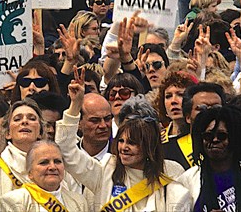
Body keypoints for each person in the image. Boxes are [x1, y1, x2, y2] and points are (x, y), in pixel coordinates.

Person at [55, 70, 192, 211]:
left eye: (132, 142)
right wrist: (75, 106)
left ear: (149, 144)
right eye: (121, 140)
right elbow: (65, 150)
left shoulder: (172, 173)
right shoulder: (106, 171)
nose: (124, 147)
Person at [178, 105, 241, 211]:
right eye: (208, 136)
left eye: (222, 136)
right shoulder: (186, 182)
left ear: (235, 138)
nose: (215, 140)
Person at [0, 99, 52, 197]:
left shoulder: (53, 169)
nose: (25, 121)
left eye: (32, 118)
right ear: (8, 133)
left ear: (40, 132)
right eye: (17, 119)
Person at [0, 140, 88, 211]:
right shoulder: (13, 201)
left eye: (57, 161)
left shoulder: (79, 201)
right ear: (30, 173)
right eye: (44, 162)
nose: (53, 167)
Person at [155, 71, 197, 141]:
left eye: (180, 95)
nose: (173, 101)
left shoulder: (202, 138)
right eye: (168, 96)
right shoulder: (157, 140)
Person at [78, 93, 113, 161]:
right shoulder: (66, 156)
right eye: (95, 120)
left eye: (107, 119)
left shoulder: (122, 156)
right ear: (78, 123)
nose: (103, 125)